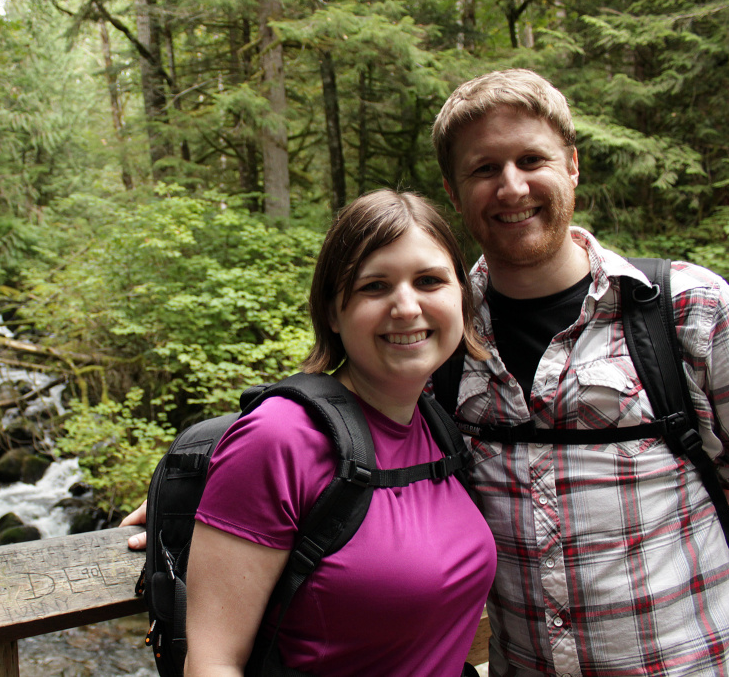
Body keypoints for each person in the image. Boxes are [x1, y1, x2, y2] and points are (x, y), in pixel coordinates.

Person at [429, 68, 729, 675]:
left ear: (572, 165)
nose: (511, 186)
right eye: (484, 169)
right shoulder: (440, 341)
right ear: (453, 189)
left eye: (531, 159)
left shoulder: (687, 310)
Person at [179, 189, 496, 676]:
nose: (407, 306)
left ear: (461, 295)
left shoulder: (443, 425)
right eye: (375, 286)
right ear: (332, 311)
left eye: (430, 280)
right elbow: (212, 663)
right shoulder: (278, 438)